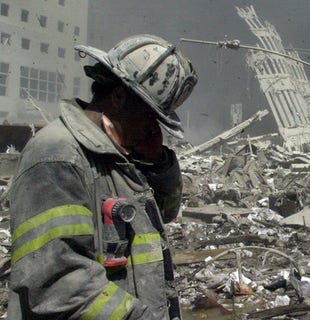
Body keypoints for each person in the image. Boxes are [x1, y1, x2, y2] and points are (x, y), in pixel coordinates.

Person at [8, 34, 197, 319]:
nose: (152, 127)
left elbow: (167, 212)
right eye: (149, 115)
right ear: (119, 97)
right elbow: (59, 284)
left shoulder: (118, 155)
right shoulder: (59, 156)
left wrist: (158, 163)